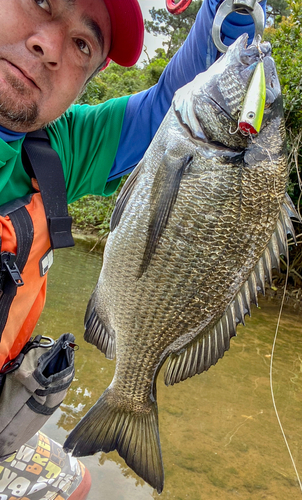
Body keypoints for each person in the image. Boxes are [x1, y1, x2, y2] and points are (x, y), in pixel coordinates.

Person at [0, 0, 266, 498]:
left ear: (87, 79)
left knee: (74, 484)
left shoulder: (55, 150)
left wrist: (221, 13)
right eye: (39, 3)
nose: (48, 46)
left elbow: (169, 101)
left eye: (83, 44)